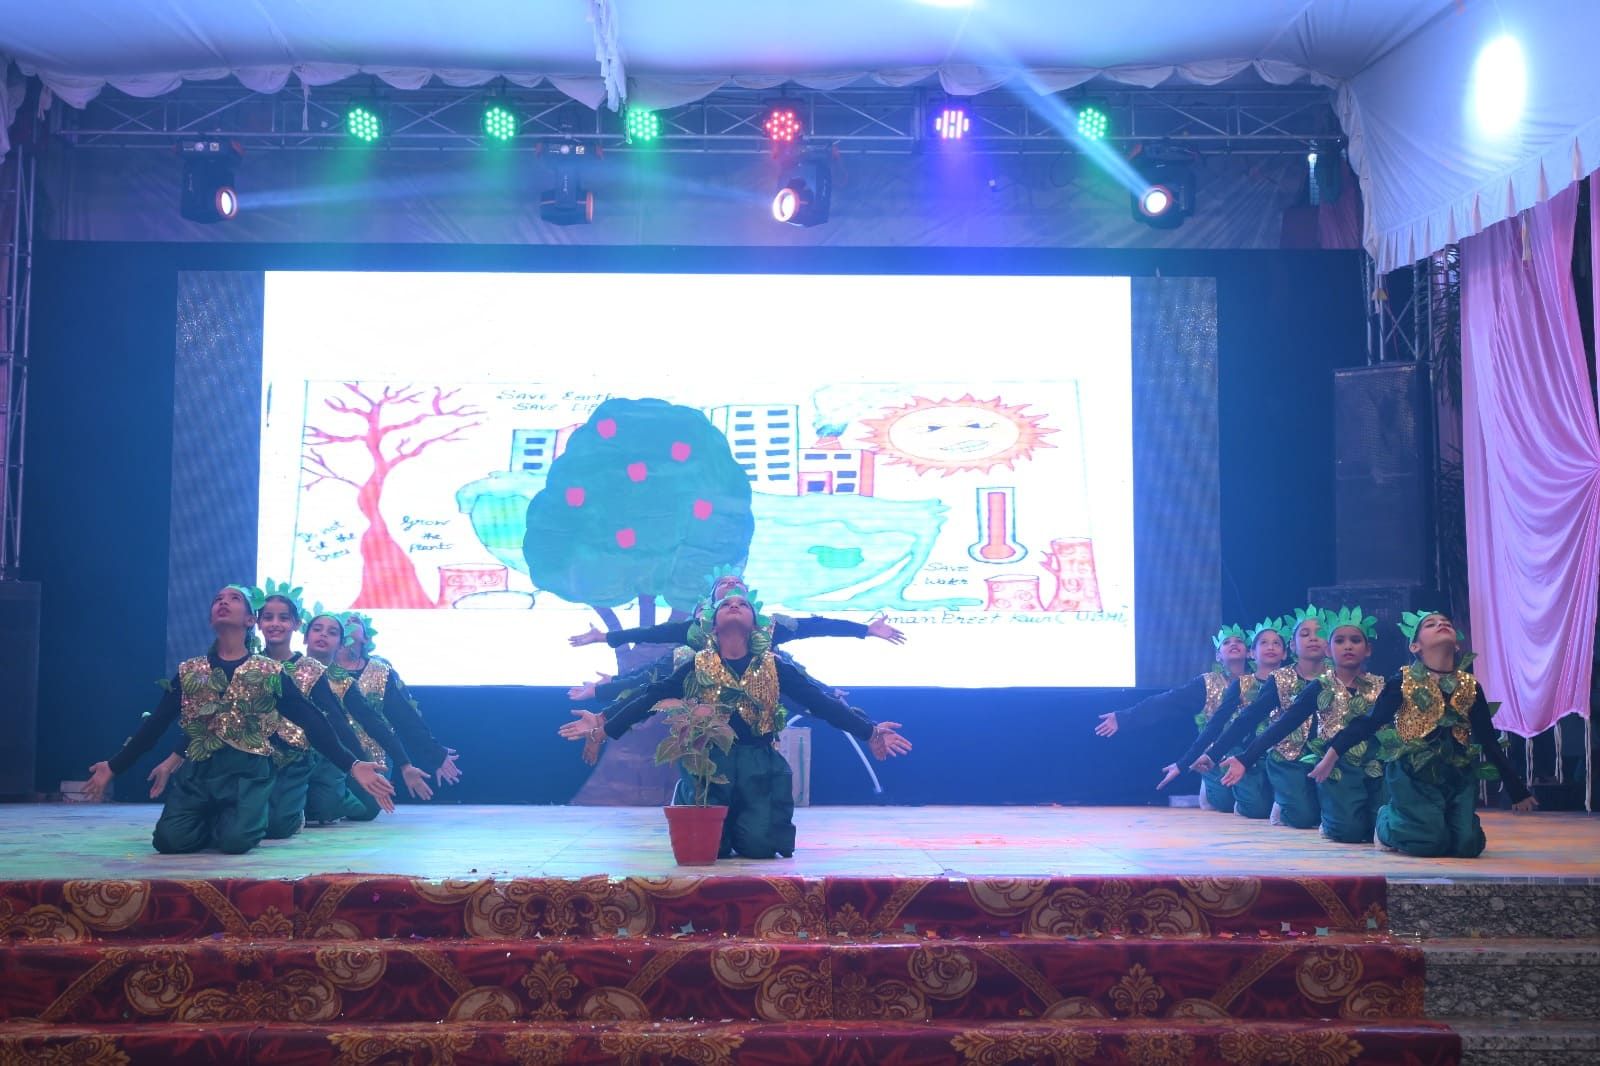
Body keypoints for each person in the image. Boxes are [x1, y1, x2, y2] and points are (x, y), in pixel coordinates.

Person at [559, 591, 912, 859]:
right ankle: (695, 809)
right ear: (712, 625)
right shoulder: (696, 664)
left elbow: (819, 701)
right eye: (726, 604)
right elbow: (650, 695)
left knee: (758, 848)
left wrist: (869, 731)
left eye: (742, 604)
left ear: (755, 624)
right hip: (708, 764)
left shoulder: (775, 665)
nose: (734, 605)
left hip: (759, 764)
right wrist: (604, 725)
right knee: (708, 849)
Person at [82, 585, 394, 854]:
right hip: (199, 774)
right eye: (218, 599)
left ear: (249, 620)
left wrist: (352, 764)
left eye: (233, 599)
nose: (223, 602)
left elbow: (312, 720)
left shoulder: (268, 672)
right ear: (211, 619)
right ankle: (215, 819)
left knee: (236, 842)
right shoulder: (191, 671)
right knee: (168, 841)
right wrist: (115, 766)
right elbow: (156, 725)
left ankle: (240, 820)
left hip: (247, 773)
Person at [1307, 610, 1536, 857]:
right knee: (1427, 843)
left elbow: (1489, 740)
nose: (1441, 625)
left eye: (1446, 623)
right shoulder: (1403, 681)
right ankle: (1385, 823)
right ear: (1415, 646)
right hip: (1412, 773)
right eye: (1430, 624)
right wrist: (1331, 756)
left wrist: (1517, 790)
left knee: (1468, 846)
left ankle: (1435, 826)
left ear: (1457, 644)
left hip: (1457, 773)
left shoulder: (1470, 686)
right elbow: (1369, 722)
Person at [1220, 606, 1387, 842]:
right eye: (1340, 640)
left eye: (1355, 640)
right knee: (1309, 818)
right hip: (1295, 756)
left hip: (1360, 760)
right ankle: (1296, 806)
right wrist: (1242, 758)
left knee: (1371, 825)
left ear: (1367, 649)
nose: (1348, 646)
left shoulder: (1380, 685)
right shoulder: (1313, 684)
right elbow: (1276, 722)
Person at [1094, 622, 1251, 812]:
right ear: (1218, 656)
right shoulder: (1207, 683)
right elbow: (1166, 702)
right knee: (1223, 804)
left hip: (1251, 754)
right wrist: (1124, 717)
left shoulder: (1258, 682)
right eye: (1226, 642)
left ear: (1249, 652)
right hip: (1213, 758)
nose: (1233, 644)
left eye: (1239, 641)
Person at [1196, 606, 1330, 829]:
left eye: (1276, 643)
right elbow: (1239, 720)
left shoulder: (1335, 679)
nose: (1314, 638)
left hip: (1321, 751)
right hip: (1266, 749)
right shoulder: (1273, 680)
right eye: (1305, 634)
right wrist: (1212, 754)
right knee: (1260, 807)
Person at [301, 610, 433, 824]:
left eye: (332, 632)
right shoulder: (286, 670)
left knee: (364, 809)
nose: (323, 635)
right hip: (292, 754)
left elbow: (372, 721)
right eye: (317, 629)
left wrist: (404, 764)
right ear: (305, 637)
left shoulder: (344, 682)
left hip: (340, 754)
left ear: (340, 643)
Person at [1156, 617, 1289, 819]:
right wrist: (1186, 761)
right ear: (1253, 653)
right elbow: (1218, 724)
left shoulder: (1292, 682)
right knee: (1244, 806)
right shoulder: (1239, 684)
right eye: (1264, 643)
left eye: (1276, 643)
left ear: (1286, 653)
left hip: (1281, 750)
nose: (1270, 647)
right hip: (1236, 749)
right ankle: (1219, 784)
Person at [335, 612, 462, 788]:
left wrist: (434, 753)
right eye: (341, 621)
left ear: (365, 638)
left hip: (374, 757)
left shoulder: (379, 671)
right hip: (330, 753)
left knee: (369, 803)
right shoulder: (318, 667)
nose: (346, 622)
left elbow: (404, 716)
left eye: (353, 621)